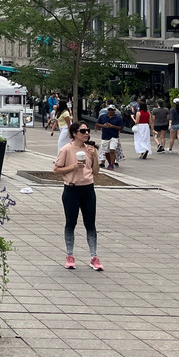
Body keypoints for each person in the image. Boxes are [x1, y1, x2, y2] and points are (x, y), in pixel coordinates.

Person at [52, 120, 103, 271]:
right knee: (71, 222)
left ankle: (94, 256)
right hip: (71, 189)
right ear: (74, 134)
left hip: (88, 188)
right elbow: (56, 169)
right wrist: (73, 167)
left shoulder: (89, 149)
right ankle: (70, 255)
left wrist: (94, 156)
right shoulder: (66, 150)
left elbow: (95, 172)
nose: (86, 133)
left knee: (90, 223)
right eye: (82, 131)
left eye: (87, 130)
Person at [98, 103, 123, 169]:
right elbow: (98, 124)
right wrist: (103, 126)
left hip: (114, 136)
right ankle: (109, 163)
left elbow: (121, 127)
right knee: (106, 152)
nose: (110, 111)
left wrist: (112, 126)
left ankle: (111, 164)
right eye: (109, 110)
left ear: (114, 111)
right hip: (105, 136)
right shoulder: (102, 116)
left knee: (112, 150)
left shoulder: (118, 118)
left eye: (112, 110)